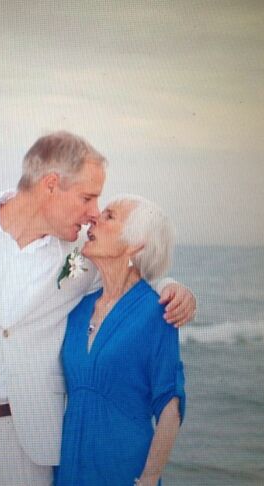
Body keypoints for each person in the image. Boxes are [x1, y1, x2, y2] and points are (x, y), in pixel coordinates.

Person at [0, 131, 196, 485]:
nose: (93, 213)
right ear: (51, 185)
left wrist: (173, 288)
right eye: (87, 197)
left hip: (33, 447)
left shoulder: (83, 253)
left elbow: (130, 279)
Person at [55, 195, 185, 486]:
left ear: (136, 243)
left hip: (125, 472)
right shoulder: (77, 309)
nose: (94, 220)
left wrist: (150, 478)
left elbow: (169, 408)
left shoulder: (156, 312)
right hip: (69, 470)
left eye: (109, 216)